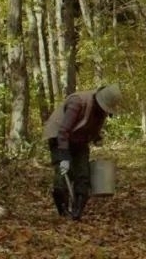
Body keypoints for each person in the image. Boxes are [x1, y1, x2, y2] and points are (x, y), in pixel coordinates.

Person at [43, 84, 123, 220]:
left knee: (83, 174)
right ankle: (63, 212)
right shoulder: (78, 102)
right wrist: (63, 157)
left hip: (79, 140)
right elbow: (63, 131)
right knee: (63, 175)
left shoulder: (100, 111)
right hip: (59, 137)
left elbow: (92, 127)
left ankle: (77, 212)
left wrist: (97, 137)